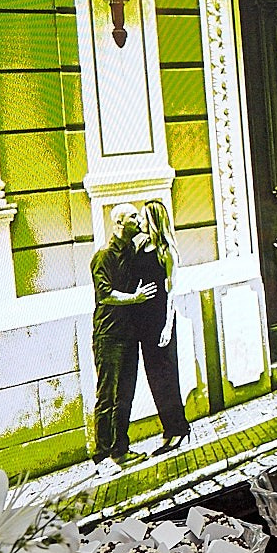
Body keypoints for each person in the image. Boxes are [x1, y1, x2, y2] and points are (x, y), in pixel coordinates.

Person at [90, 204, 155, 469]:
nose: (139, 220)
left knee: (125, 395)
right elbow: (104, 294)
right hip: (109, 336)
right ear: (119, 222)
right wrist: (135, 298)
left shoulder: (133, 251)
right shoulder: (103, 256)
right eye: (133, 217)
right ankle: (102, 456)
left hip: (129, 335)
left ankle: (121, 450)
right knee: (107, 396)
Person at [129, 199, 192, 455]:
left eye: (143, 217)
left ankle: (179, 429)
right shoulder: (142, 245)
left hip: (161, 319)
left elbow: (172, 292)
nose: (140, 222)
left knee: (167, 376)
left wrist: (167, 327)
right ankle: (169, 428)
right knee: (154, 377)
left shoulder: (167, 252)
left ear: (153, 220)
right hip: (144, 319)